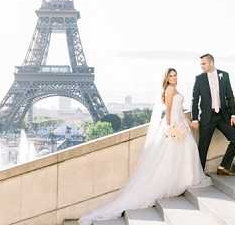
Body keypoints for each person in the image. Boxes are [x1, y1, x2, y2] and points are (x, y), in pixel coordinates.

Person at [79, 68, 211, 224]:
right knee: (172, 157)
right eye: (171, 76)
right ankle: (176, 182)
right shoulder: (169, 90)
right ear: (167, 79)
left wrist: (189, 123)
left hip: (180, 124)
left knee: (186, 152)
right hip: (173, 125)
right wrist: (170, 128)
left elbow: (180, 111)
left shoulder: (175, 89)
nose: (174, 78)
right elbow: (168, 111)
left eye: (175, 75)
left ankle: (184, 179)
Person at [190, 53, 235, 175]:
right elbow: (194, 100)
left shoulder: (224, 75)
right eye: (201, 64)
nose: (202, 66)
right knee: (203, 147)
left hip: (222, 117)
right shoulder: (199, 79)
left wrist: (233, 115)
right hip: (207, 118)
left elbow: (229, 96)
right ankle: (199, 174)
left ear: (211, 63)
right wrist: (194, 119)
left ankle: (223, 167)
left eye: (204, 63)